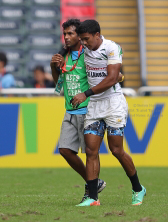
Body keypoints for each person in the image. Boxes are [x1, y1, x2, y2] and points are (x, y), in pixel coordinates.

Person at [72, 20, 146, 206]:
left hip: (113, 104)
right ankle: (93, 198)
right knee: (91, 151)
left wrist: (86, 93)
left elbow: (113, 78)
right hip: (95, 106)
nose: (84, 43)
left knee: (116, 150)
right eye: (81, 40)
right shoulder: (83, 48)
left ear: (97, 35)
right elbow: (68, 47)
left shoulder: (111, 48)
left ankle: (138, 188)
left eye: (87, 39)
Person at [50, 19, 107, 204]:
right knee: (65, 150)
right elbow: (58, 84)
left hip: (88, 110)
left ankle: (92, 193)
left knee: (91, 154)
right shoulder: (63, 56)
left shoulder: (89, 55)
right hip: (69, 111)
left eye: (70, 34)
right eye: (64, 34)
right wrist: (53, 67)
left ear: (79, 35)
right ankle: (94, 183)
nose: (66, 37)